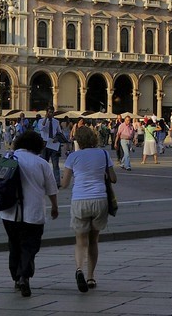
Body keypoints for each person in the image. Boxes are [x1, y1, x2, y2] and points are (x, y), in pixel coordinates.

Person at [0, 128, 60, 297]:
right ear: (37, 146)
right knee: (30, 246)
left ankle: (16, 277)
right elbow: (52, 189)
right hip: (33, 213)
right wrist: (54, 207)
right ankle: (24, 275)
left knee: (14, 244)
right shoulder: (41, 163)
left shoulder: (7, 158)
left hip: (9, 212)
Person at [60, 124, 114, 292]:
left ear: (78, 140)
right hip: (100, 199)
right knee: (94, 240)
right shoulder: (104, 154)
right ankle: (91, 277)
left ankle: (78, 269)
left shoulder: (73, 157)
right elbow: (113, 178)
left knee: (80, 241)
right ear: (94, 138)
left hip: (80, 200)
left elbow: (65, 183)